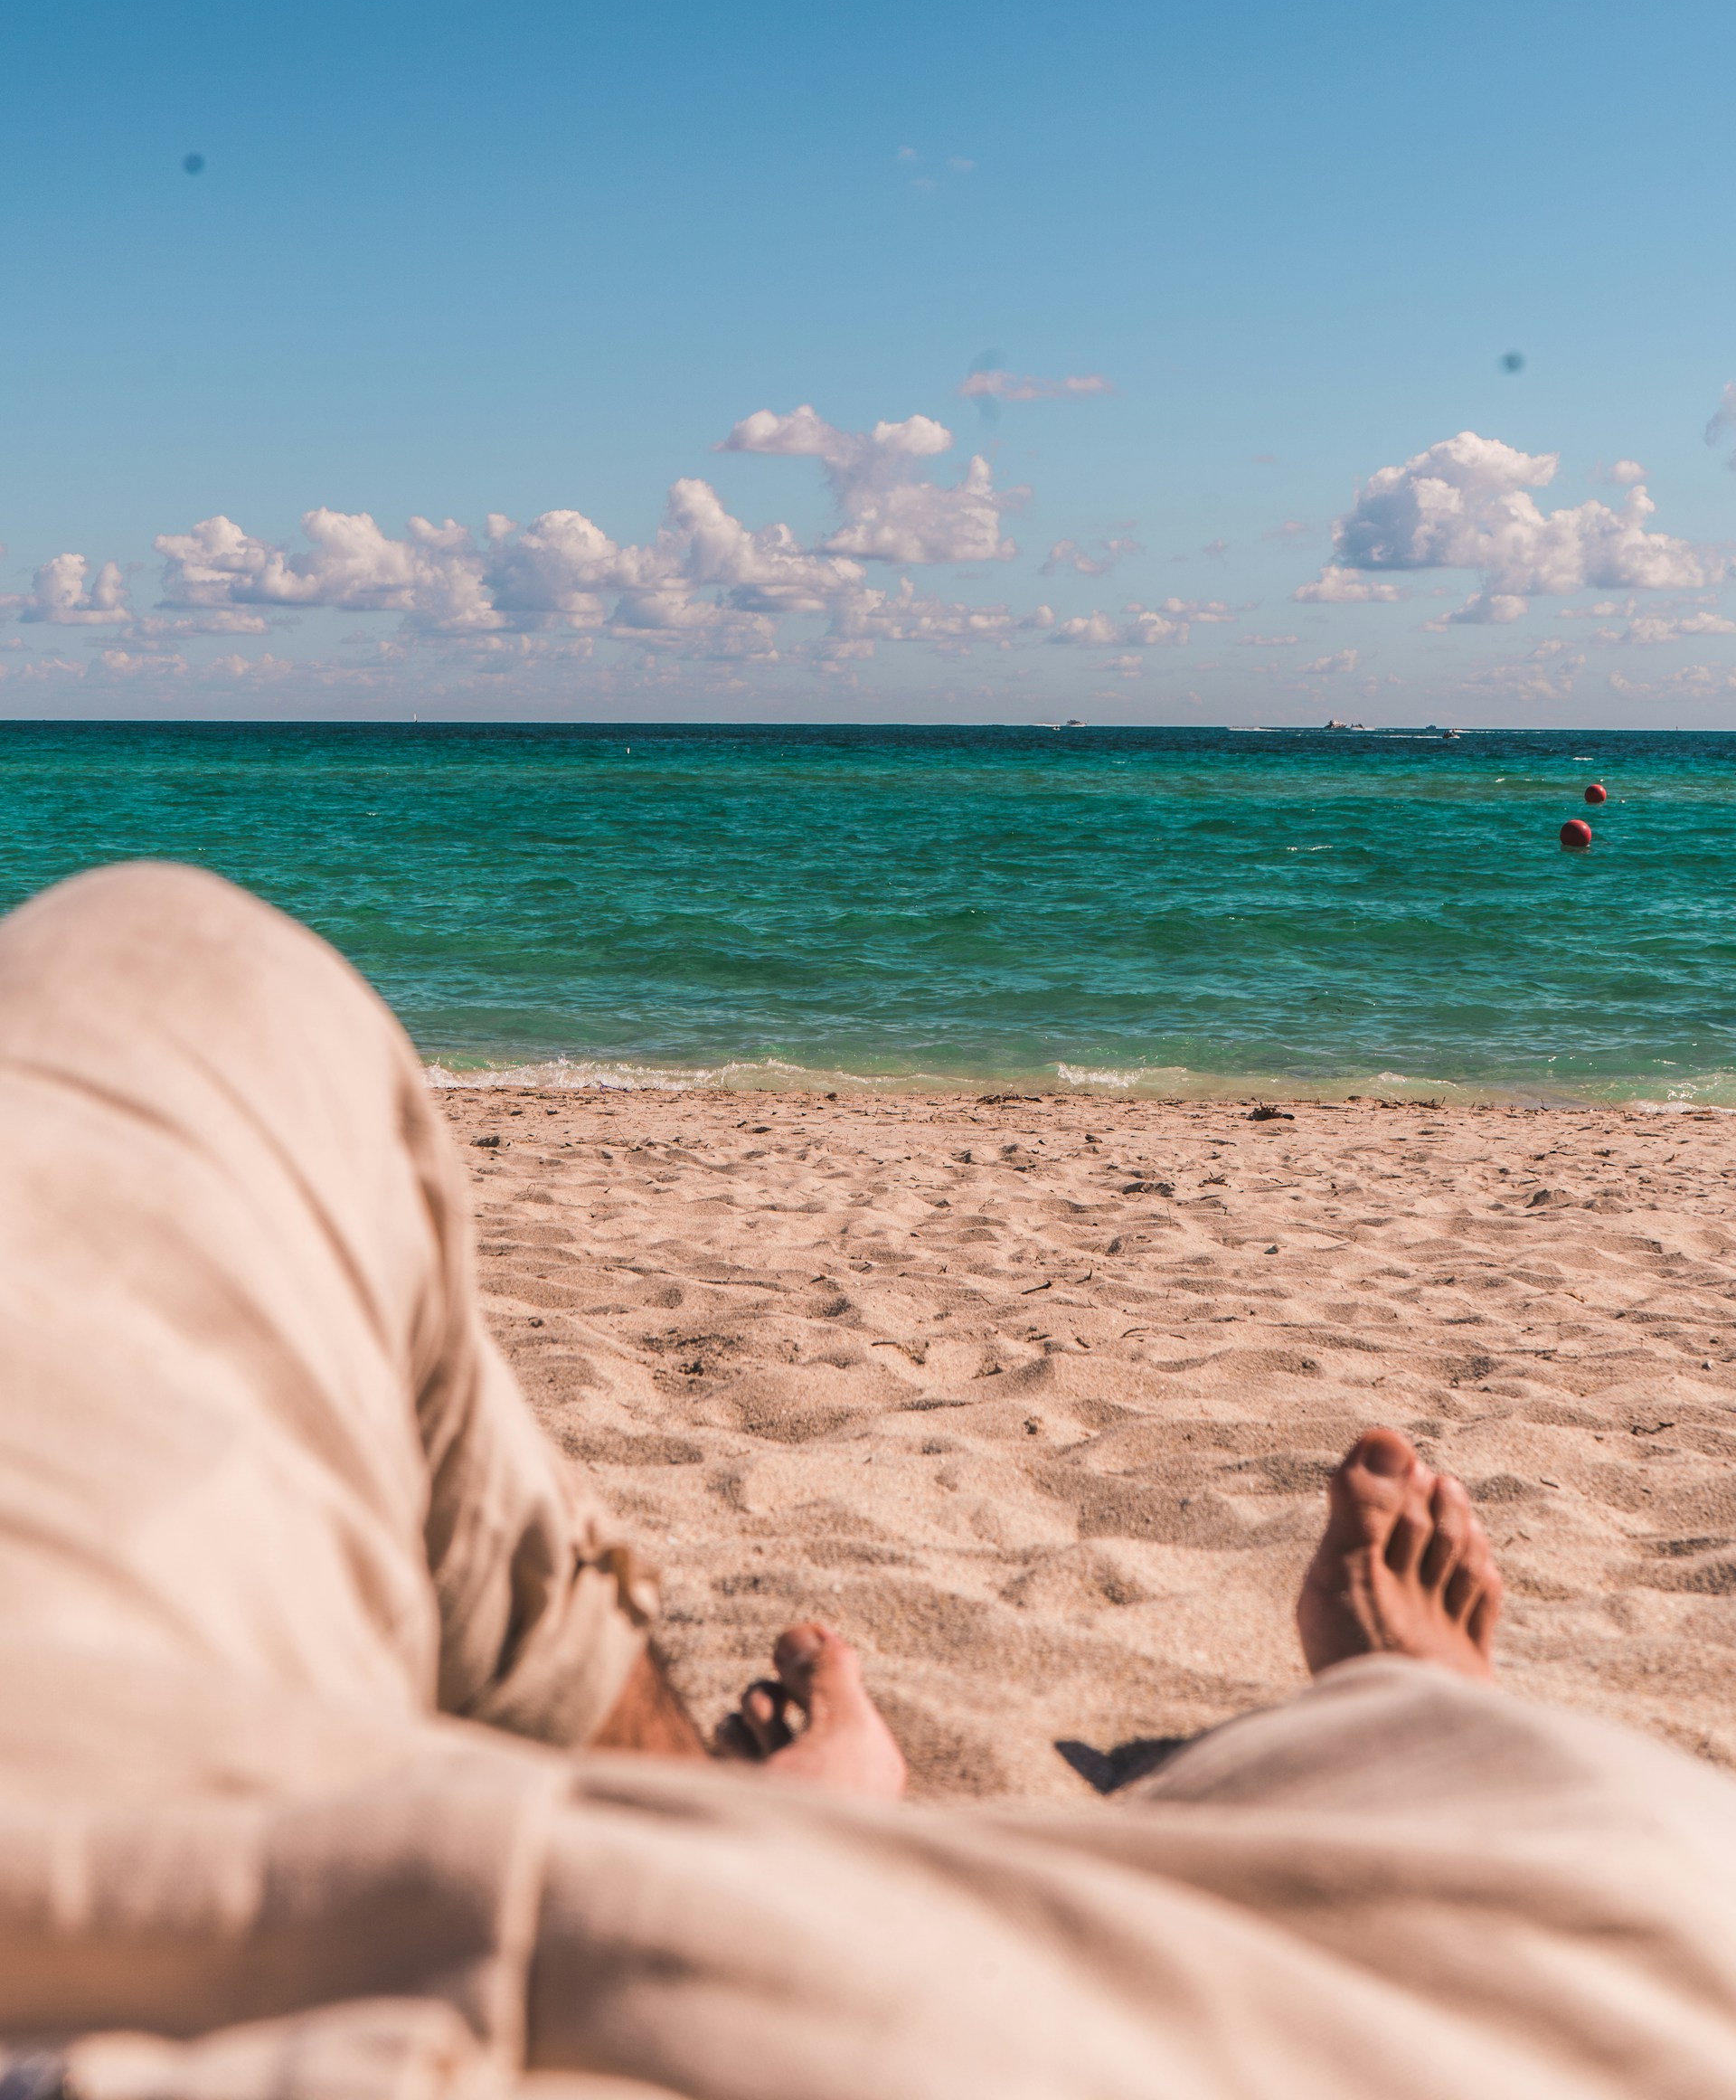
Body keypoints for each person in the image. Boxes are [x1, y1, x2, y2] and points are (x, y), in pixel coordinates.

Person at [1, 862, 1733, 2100]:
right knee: (1627, 1877)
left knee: (171, 967)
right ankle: (1413, 1717)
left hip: (141, 1954)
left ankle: (748, 1849)